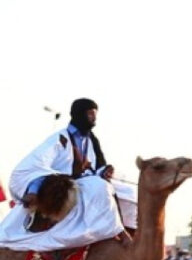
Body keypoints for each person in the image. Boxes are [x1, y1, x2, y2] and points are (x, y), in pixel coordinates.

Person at [0, 97, 125, 251]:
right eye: (90, 114)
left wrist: (104, 171)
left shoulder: (92, 140)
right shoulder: (60, 138)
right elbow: (37, 165)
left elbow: (98, 168)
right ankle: (110, 232)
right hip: (58, 185)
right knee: (99, 186)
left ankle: (109, 230)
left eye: (95, 114)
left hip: (83, 183)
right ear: (80, 114)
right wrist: (33, 190)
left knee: (125, 191)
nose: (94, 118)